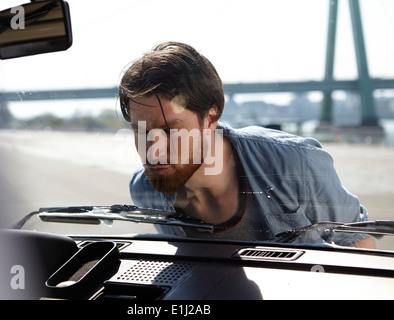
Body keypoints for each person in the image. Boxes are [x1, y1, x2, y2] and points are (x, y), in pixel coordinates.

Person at [118, 41, 374, 248]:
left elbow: (357, 242)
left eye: (170, 131)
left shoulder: (293, 164)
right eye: (141, 131)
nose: (154, 152)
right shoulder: (146, 188)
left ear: (210, 117)